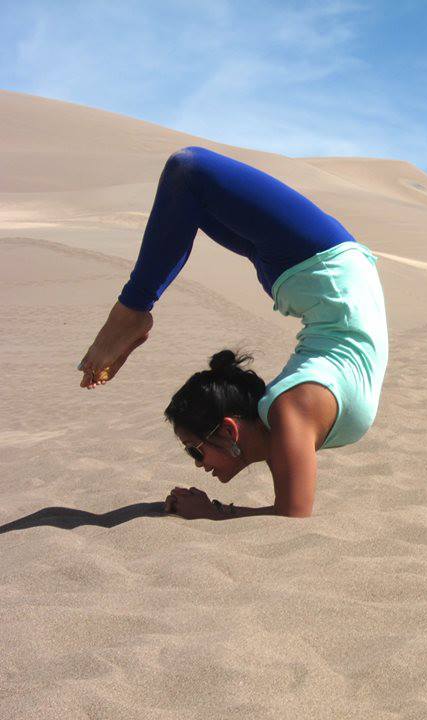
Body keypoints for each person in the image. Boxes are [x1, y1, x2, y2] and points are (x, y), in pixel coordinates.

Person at [77, 146, 389, 519]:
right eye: (194, 451)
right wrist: (214, 511)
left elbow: (290, 516)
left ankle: (132, 310)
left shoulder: (287, 414)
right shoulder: (286, 423)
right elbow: (290, 514)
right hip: (318, 270)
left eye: (194, 448)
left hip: (319, 266)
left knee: (188, 172)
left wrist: (212, 512)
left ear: (228, 428)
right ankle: (135, 309)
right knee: (189, 186)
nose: (197, 463)